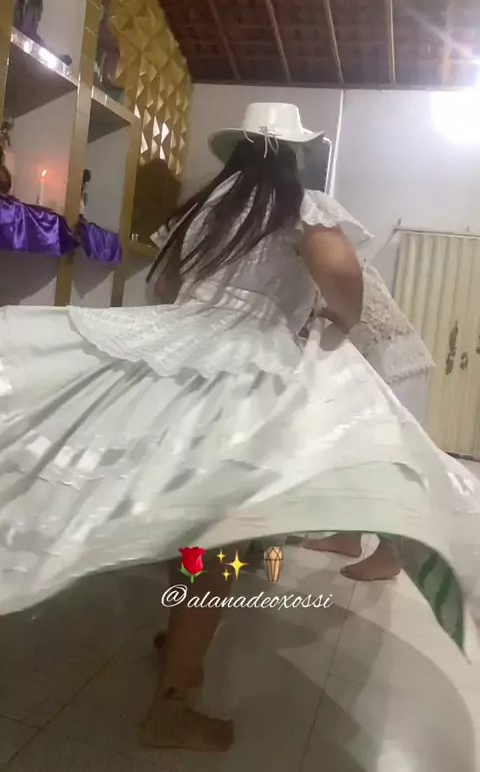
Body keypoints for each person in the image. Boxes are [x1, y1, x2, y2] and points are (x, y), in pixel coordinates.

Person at [1, 103, 480, 752]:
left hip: (182, 351)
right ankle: (172, 701)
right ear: (292, 153)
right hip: (248, 368)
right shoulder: (300, 205)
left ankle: (179, 642)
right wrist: (335, 322)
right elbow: (342, 275)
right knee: (224, 533)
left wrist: (203, 316)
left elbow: (165, 284)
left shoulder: (210, 208)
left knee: (192, 515)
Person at [302, 260, 434, 580]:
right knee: (353, 457)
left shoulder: (315, 256)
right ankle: (349, 537)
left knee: (389, 464)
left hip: (393, 364)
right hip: (371, 361)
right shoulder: (322, 257)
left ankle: (390, 554)